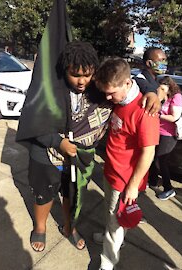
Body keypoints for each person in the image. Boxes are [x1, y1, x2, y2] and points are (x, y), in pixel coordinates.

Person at [21, 41, 161, 253]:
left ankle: (70, 226)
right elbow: (33, 119)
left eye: (87, 75)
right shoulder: (51, 89)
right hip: (47, 153)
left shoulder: (100, 89)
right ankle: (40, 226)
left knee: (72, 193)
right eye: (75, 75)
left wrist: (151, 91)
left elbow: (125, 79)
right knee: (44, 193)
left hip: (80, 157)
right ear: (64, 71)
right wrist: (57, 142)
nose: (82, 81)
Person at [93, 58, 160, 270]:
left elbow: (148, 153)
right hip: (111, 172)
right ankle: (110, 238)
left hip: (125, 180)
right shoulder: (119, 102)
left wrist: (132, 185)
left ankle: (107, 263)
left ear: (128, 83)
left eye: (112, 92)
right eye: (105, 92)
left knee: (116, 224)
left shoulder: (145, 111)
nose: (107, 97)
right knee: (110, 215)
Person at [148, 75, 182, 200]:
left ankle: (168, 188)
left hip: (168, 135)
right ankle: (152, 181)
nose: (160, 90)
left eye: (162, 88)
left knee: (161, 161)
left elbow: (174, 117)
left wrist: (158, 114)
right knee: (153, 157)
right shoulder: (163, 96)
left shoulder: (177, 98)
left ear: (169, 87)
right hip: (158, 131)